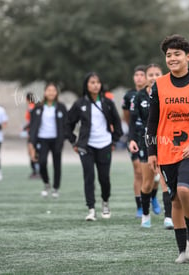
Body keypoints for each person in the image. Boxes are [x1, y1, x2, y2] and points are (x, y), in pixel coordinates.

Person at [146, 34, 189, 263]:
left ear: (188, 56)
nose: (172, 58)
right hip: (166, 150)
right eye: (169, 55)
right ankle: (182, 250)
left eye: (177, 54)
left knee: (185, 190)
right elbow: (152, 122)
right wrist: (152, 152)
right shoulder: (158, 85)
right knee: (174, 199)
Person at [67, 72, 123, 221]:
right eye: (92, 82)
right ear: (86, 85)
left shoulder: (108, 103)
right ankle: (91, 209)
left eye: (97, 82)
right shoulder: (80, 104)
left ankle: (105, 202)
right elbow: (67, 124)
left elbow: (118, 124)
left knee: (104, 178)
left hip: (105, 145)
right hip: (86, 147)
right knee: (89, 177)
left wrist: (113, 141)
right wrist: (74, 142)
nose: (95, 85)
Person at [128, 63, 174, 229]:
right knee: (147, 183)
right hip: (146, 142)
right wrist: (131, 139)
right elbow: (133, 121)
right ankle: (145, 214)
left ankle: (169, 217)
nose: (154, 77)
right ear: (146, 77)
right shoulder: (139, 97)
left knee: (165, 181)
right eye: (151, 74)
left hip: (165, 142)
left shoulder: (168, 93)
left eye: (157, 74)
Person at [122, 65, 161, 218]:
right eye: (137, 75)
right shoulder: (132, 96)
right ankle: (141, 206)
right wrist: (131, 137)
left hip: (160, 139)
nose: (139, 78)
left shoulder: (163, 92)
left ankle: (153, 197)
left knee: (156, 175)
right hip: (139, 138)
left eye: (141, 75)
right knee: (139, 172)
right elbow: (128, 118)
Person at [28, 83, 68, 198]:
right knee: (42, 162)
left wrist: (64, 137)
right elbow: (33, 126)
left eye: (53, 90)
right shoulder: (38, 108)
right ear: (45, 92)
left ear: (57, 93)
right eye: (49, 90)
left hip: (56, 140)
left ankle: (55, 188)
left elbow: (66, 124)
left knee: (57, 164)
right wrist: (32, 142)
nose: (51, 92)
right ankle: (46, 183)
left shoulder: (61, 107)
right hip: (42, 139)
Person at [23, 92, 40, 179]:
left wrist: (26, 127)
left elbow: (31, 121)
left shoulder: (31, 108)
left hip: (32, 133)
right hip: (36, 133)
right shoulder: (37, 106)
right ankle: (37, 171)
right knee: (36, 152)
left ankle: (36, 171)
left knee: (32, 152)